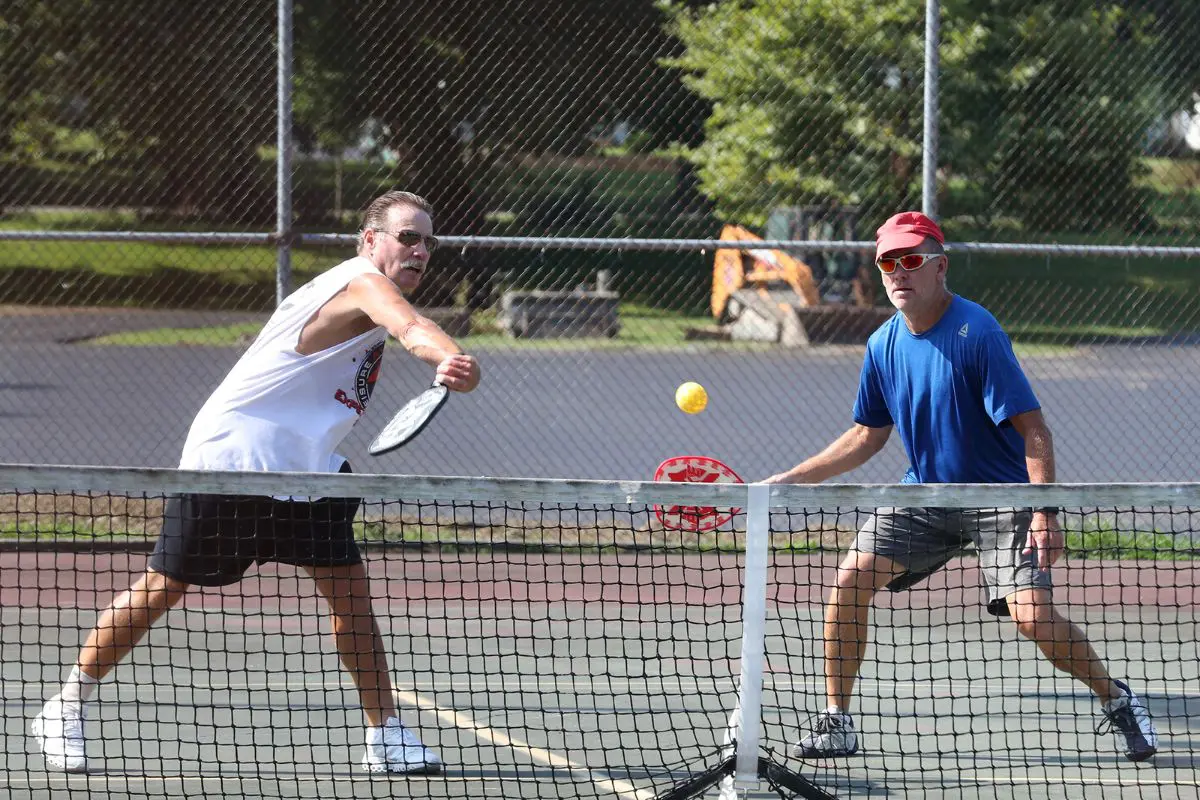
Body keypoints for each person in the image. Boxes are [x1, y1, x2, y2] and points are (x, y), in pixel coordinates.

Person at [32, 190, 480, 774]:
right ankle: (64, 710)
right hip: (234, 461)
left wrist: (454, 366)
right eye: (408, 237)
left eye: (429, 241)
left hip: (308, 472)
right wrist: (447, 355)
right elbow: (413, 327)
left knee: (351, 601)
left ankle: (386, 736)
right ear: (371, 241)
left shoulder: (368, 293)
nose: (421, 250)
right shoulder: (364, 283)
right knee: (160, 591)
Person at [765, 211, 1157, 763]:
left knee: (1033, 618)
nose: (898, 272)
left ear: (939, 266)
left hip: (1001, 500)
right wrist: (788, 481)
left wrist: (1045, 511)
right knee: (849, 581)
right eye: (887, 262)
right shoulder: (882, 344)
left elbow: (1034, 428)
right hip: (924, 496)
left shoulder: (979, 332)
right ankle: (838, 721)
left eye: (910, 260)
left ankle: (1115, 699)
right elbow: (866, 435)